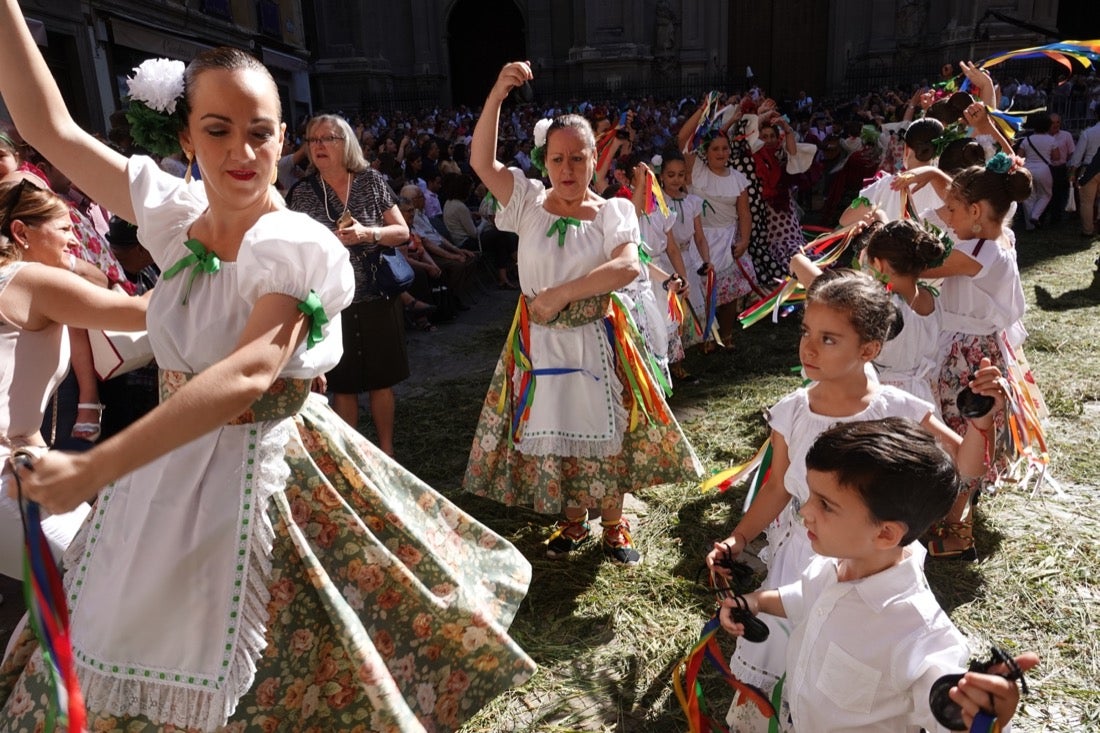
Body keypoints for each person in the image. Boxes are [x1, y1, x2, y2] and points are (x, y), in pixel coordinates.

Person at [0, 7, 535, 729]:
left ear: (283, 137)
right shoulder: (173, 214)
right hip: (162, 479)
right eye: (217, 129)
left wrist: (97, 468)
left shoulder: (294, 242)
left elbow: (251, 370)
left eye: (259, 131)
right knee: (128, 644)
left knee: (289, 671)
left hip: (269, 471)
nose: (241, 151)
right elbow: (47, 127)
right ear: (186, 137)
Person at [704, 268, 996, 731]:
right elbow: (779, 486)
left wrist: (982, 425)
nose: (809, 348)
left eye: (829, 338)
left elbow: (964, 467)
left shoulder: (899, 409)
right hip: (803, 551)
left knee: (857, 655)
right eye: (805, 332)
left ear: (870, 349)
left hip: (867, 555)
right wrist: (739, 538)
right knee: (793, 648)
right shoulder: (792, 411)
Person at [464, 61, 702, 567]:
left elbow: (624, 269)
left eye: (577, 157)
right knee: (558, 424)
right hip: (539, 341)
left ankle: (614, 525)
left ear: (596, 158)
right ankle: (574, 518)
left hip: (598, 337)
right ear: (543, 161)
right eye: (557, 159)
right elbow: (482, 164)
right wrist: (496, 95)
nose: (567, 169)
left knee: (605, 426)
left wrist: (562, 295)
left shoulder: (614, 211)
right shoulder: (527, 201)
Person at [719, 418, 1038, 732]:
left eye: (826, 505)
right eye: (811, 496)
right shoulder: (834, 563)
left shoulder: (917, 632)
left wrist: (978, 712)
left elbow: (945, 702)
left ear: (885, 534)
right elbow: (805, 598)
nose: (805, 511)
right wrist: (755, 602)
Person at [0, 179, 144, 581]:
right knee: (100, 581)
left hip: (23, 462)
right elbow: (138, 313)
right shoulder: (30, 280)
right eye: (64, 230)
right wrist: (195, 255)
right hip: (8, 473)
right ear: (20, 233)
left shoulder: (17, 277)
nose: (75, 241)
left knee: (83, 593)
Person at [895, 154, 1032, 559]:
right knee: (947, 430)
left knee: (964, 429)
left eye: (953, 209)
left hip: (971, 357)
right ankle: (947, 512)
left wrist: (882, 249)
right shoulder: (979, 239)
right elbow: (946, 214)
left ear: (975, 211)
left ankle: (958, 528)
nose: (944, 215)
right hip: (954, 347)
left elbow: (923, 266)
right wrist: (935, 174)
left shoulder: (983, 252)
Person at [285, 113, 409, 456]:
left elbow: (402, 232)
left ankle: (387, 453)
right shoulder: (302, 193)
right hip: (331, 302)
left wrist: (368, 233)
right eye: (313, 140)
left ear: (347, 144)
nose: (319, 146)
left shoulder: (370, 181)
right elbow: (293, 249)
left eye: (328, 139)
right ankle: (349, 457)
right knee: (344, 385)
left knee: (381, 382)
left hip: (375, 295)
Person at [792, 218, 946, 408]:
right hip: (924, 398)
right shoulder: (932, 299)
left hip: (885, 402)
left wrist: (797, 261)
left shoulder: (883, 304)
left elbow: (825, 286)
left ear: (879, 265)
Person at [676, 106, 757, 349]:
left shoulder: (737, 178)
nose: (721, 153)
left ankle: (728, 333)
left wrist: (744, 240)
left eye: (725, 148)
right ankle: (706, 336)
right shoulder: (695, 173)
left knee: (728, 293)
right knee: (702, 291)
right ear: (705, 152)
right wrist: (702, 111)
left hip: (727, 238)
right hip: (699, 239)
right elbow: (683, 140)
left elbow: (744, 213)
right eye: (715, 149)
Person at [657, 148, 712, 371]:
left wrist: (706, 260)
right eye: (671, 175)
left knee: (689, 305)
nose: (676, 179)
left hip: (686, 258)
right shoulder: (658, 203)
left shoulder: (693, 202)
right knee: (672, 309)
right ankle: (674, 363)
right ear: (661, 176)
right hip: (665, 260)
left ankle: (684, 356)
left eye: (681, 174)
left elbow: (699, 236)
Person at [1016, 112, 1056, 230]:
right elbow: (1057, 156)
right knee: (1046, 195)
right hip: (1044, 169)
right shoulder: (1051, 140)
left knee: (1028, 197)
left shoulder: (1027, 140)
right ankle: (1035, 216)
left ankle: (1030, 226)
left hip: (1027, 169)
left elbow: (1020, 156)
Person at [1068, 111, 1100, 239]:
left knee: (1087, 202)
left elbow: (1077, 156)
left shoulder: (1088, 132)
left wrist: (1072, 173)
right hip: (1092, 167)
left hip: (1088, 169)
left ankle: (1088, 230)